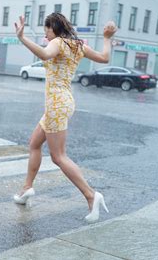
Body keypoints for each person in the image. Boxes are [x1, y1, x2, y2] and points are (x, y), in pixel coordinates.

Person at [13, 12, 117, 223]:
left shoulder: (59, 43)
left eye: (47, 31)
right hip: (64, 101)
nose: (46, 36)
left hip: (56, 104)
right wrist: (106, 38)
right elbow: (104, 58)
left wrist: (22, 38)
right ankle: (26, 189)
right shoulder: (78, 45)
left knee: (58, 156)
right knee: (34, 144)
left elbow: (44, 54)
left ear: (55, 28)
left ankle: (91, 195)